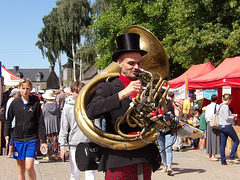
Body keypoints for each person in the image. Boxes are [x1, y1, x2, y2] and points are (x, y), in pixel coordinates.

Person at [86, 33, 183, 179]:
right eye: (131, 63)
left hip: (144, 156)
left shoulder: (148, 88)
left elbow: (163, 124)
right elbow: (91, 111)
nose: (136, 67)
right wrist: (122, 94)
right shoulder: (108, 87)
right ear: (119, 63)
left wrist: (175, 115)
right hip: (118, 158)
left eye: (139, 63)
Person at [4, 78, 47, 180]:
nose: (25, 91)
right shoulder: (14, 103)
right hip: (18, 139)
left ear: (31, 89)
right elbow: (8, 120)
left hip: (31, 139)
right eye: (23, 88)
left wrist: (44, 141)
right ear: (19, 88)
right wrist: (6, 135)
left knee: (29, 167)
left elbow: (40, 122)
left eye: (27, 88)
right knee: (21, 168)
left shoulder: (35, 102)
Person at [59, 81, 95, 180]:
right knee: (74, 173)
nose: (78, 95)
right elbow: (64, 128)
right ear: (72, 92)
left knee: (90, 173)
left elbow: (97, 126)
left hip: (89, 143)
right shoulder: (68, 108)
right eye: (76, 92)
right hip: (74, 144)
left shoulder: (90, 106)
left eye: (81, 92)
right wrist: (62, 147)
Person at [158, 91, 182, 175]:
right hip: (160, 129)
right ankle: (164, 164)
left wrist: (179, 111)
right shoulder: (157, 104)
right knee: (162, 148)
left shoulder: (171, 103)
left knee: (168, 148)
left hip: (170, 128)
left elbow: (177, 115)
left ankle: (169, 166)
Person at [218, 93, 239, 165]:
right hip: (227, 126)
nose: (230, 102)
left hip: (221, 125)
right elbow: (227, 118)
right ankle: (232, 157)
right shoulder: (225, 107)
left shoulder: (219, 106)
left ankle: (223, 160)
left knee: (223, 144)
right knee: (236, 140)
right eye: (230, 100)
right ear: (228, 99)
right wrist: (233, 117)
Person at [42, 90, 61, 161]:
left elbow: (43, 115)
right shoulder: (57, 106)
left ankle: (47, 155)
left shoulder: (45, 106)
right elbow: (59, 116)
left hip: (47, 125)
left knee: (48, 140)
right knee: (55, 140)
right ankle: (56, 155)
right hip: (55, 125)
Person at [5, 88, 20, 158]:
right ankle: (10, 152)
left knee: (12, 136)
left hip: (11, 122)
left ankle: (11, 151)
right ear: (14, 94)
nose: (19, 95)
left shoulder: (9, 100)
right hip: (13, 122)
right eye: (18, 94)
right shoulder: (13, 101)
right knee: (12, 137)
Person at [205, 94, 220, 161]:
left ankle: (210, 154)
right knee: (215, 138)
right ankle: (214, 155)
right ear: (216, 99)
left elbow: (206, 115)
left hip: (208, 122)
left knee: (209, 138)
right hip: (214, 123)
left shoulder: (208, 106)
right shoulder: (217, 106)